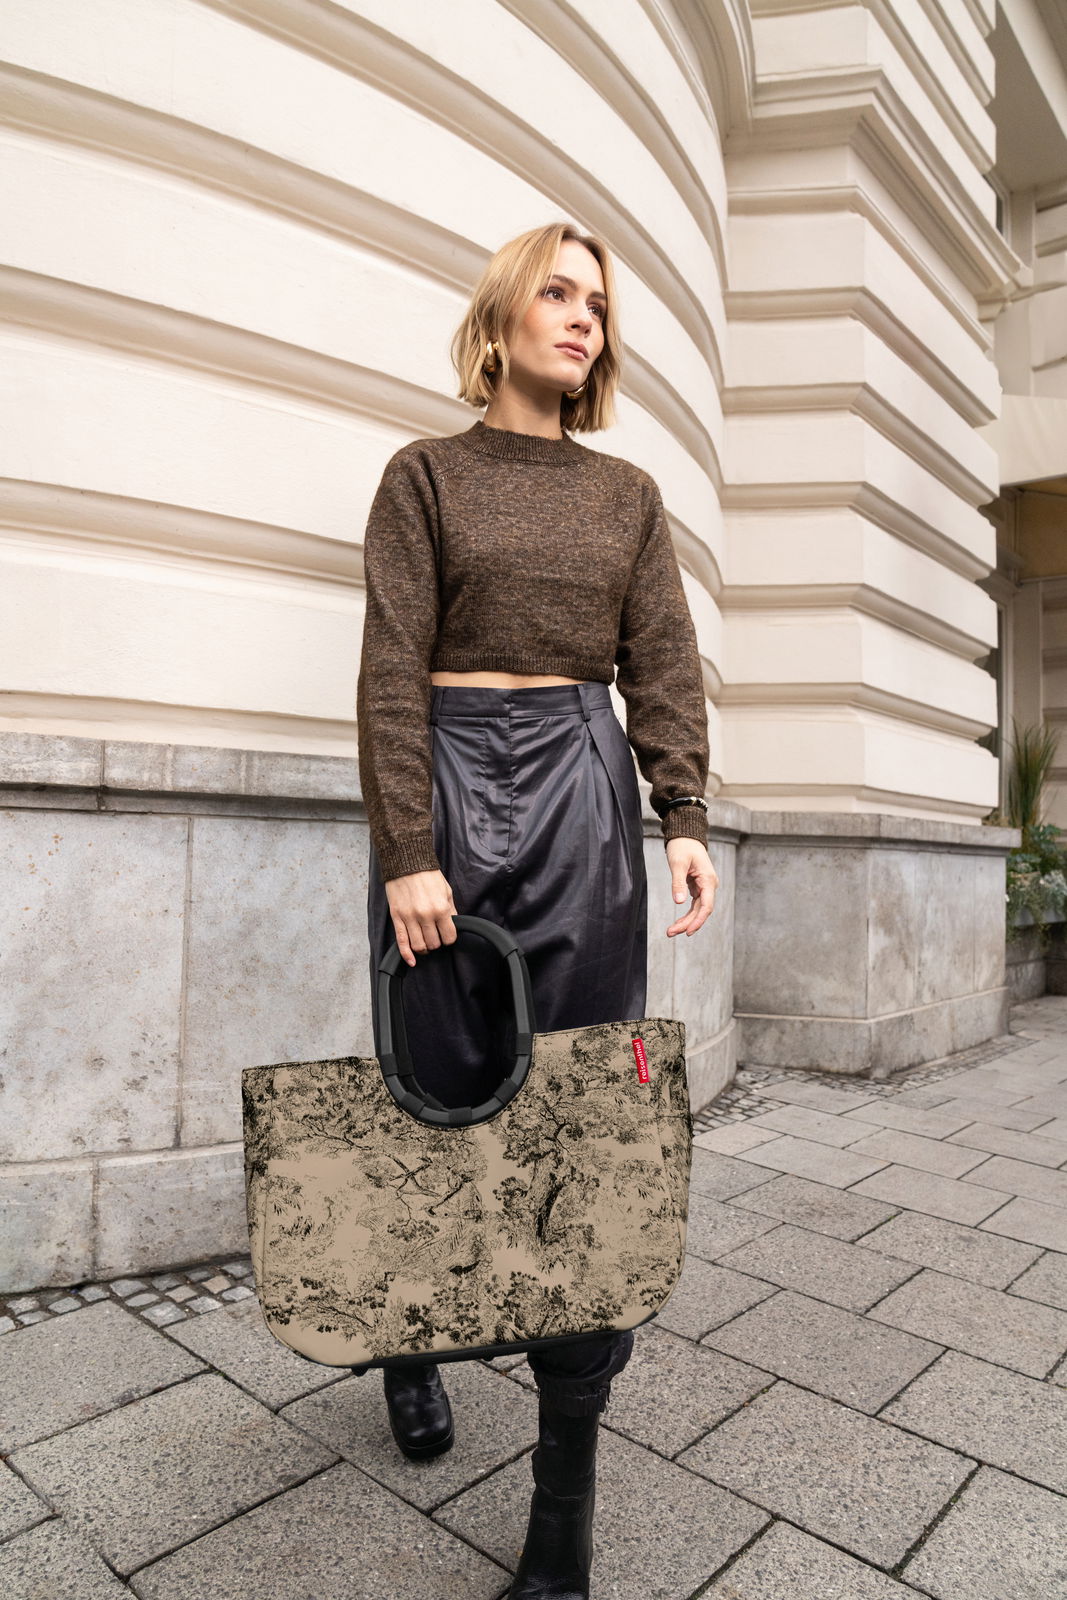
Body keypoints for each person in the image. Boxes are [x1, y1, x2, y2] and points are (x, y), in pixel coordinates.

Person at [356, 220, 717, 1600]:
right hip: (445, 778)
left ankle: (561, 1512)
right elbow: (392, 667)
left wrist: (679, 816)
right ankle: (409, 1340)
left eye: (598, 308)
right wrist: (406, 847)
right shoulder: (424, 476)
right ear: (502, 316)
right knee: (435, 1085)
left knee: (580, 1116)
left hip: (577, 786)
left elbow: (663, 667)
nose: (584, 322)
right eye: (559, 295)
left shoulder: (625, 496)